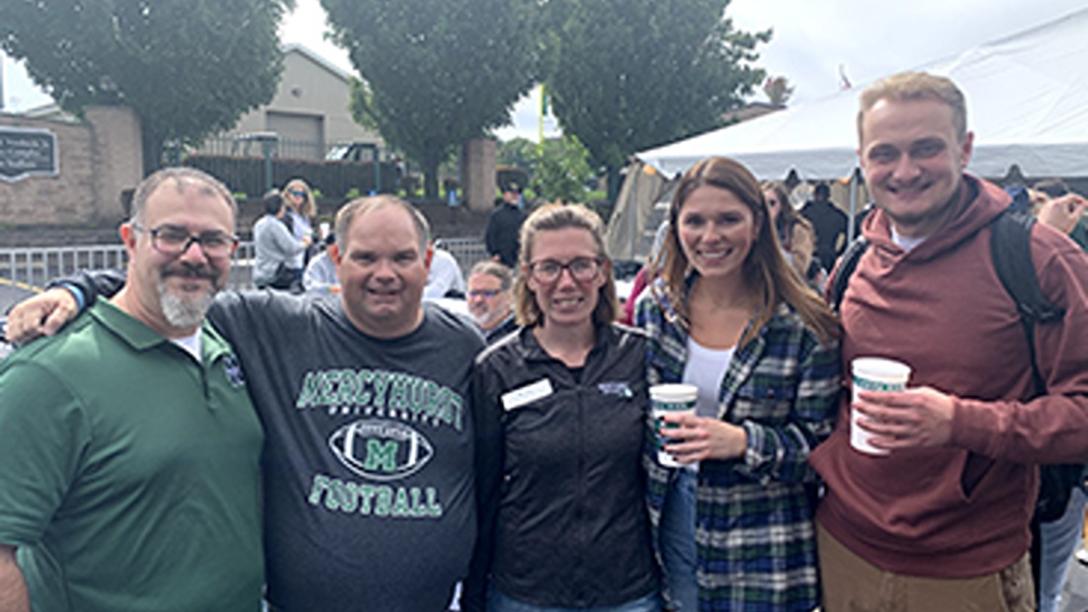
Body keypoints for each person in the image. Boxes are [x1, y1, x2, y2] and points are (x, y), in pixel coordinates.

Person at [4, 195, 486, 611]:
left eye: (402, 258)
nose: (384, 274)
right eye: (365, 257)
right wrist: (76, 288)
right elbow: (173, 280)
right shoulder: (276, 325)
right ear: (336, 260)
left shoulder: (466, 345)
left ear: (428, 264)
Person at [808, 71, 1088, 612]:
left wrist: (961, 422)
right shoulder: (854, 263)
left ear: (965, 149)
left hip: (966, 569)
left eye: (926, 149)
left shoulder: (1038, 260)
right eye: (885, 153)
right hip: (842, 547)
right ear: (863, 161)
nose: (905, 171)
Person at [0, 167, 263, 611]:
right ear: (130, 239)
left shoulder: (228, 347)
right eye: (172, 235)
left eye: (214, 240)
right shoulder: (49, 375)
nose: (195, 255)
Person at [636, 157, 840, 611]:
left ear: (758, 224)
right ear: (676, 228)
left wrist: (743, 441)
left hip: (762, 533)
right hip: (669, 514)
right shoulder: (657, 310)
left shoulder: (806, 325)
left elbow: (824, 453)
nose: (710, 237)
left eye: (728, 219)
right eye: (695, 221)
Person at [464, 204, 660, 612]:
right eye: (549, 267)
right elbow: (482, 490)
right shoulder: (497, 369)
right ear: (529, 276)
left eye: (581, 265)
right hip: (525, 591)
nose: (566, 282)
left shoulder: (640, 356)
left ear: (603, 270)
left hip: (627, 590)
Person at [763, 181, 826, 289]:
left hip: (793, 289)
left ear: (782, 205)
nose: (768, 209)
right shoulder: (757, 227)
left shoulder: (797, 228)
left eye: (772, 203)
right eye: (764, 204)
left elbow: (799, 266)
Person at [253, 189, 310, 291]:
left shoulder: (259, 223)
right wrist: (305, 243)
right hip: (275, 273)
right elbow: (291, 248)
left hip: (261, 271)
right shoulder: (276, 225)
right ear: (280, 207)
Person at [465, 260, 517, 343]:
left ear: (509, 297)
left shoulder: (522, 336)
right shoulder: (460, 332)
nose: (478, 300)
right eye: (474, 293)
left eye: (487, 293)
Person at [800, 182, 847, 272]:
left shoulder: (805, 213)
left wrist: (841, 252)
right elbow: (851, 231)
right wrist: (841, 252)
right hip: (825, 255)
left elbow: (850, 230)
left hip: (818, 254)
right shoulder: (837, 215)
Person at [485, 183, 527, 268]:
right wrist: (494, 253)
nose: (515, 196)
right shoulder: (497, 215)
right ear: (505, 195)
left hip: (519, 260)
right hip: (501, 260)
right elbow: (490, 235)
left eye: (517, 194)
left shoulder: (523, 216)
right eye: (512, 193)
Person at [282, 177, 317, 276]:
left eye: (302, 194)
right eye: (295, 193)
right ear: (288, 194)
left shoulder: (305, 217)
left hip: (304, 261)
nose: (298, 197)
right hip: (290, 264)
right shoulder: (285, 216)